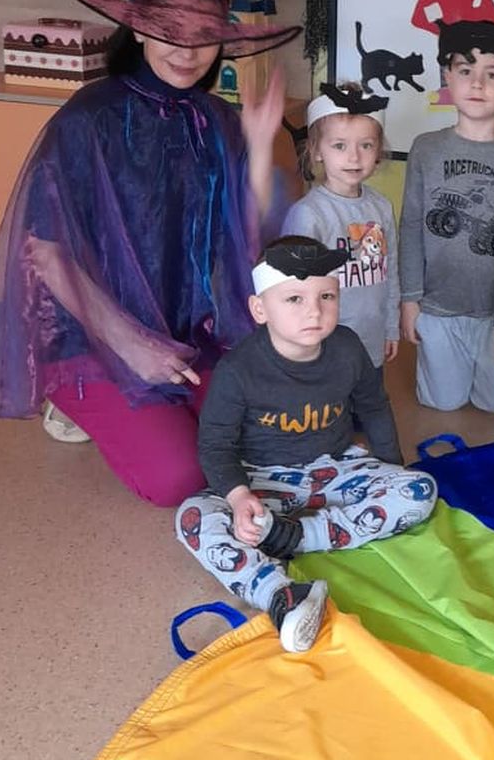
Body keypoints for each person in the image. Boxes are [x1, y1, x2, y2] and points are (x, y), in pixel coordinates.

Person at [0, 0, 299, 507]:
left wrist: (260, 145)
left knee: (265, 435)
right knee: (179, 478)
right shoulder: (89, 118)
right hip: (94, 336)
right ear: (138, 27)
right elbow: (45, 253)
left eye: (204, 34)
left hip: (190, 328)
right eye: (168, 29)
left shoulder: (215, 120)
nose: (186, 49)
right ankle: (73, 399)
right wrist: (128, 344)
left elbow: (246, 236)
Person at [175, 237, 437, 653]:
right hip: (264, 481)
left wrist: (392, 465)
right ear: (260, 309)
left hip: (336, 470)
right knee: (192, 517)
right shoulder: (238, 370)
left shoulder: (348, 347)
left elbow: (374, 407)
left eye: (326, 296)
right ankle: (279, 594)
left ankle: (297, 537)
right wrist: (239, 497)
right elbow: (215, 444)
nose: (314, 311)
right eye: (294, 298)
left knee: (419, 490)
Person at [399, 18, 494, 412]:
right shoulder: (426, 148)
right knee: (443, 403)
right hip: (438, 307)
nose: (477, 84)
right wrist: (409, 299)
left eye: (492, 74)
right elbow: (411, 226)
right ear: (448, 77)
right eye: (465, 71)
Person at [283, 82, 400, 461]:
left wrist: (391, 326)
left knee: (369, 408)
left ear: (378, 150)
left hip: (371, 337)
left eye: (365, 145)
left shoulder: (381, 207)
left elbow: (390, 269)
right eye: (339, 145)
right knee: (329, 422)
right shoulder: (308, 214)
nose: (353, 156)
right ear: (317, 150)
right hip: (328, 343)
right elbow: (293, 288)